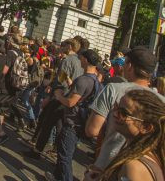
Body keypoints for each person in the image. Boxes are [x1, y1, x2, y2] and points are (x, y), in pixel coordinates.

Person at [84, 46, 165, 179]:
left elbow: (92, 130)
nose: (116, 115)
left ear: (129, 65)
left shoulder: (113, 89)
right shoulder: (161, 101)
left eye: (122, 113)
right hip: (147, 166)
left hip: (108, 164)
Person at [45, 49, 101, 181]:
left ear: (86, 60)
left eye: (81, 58)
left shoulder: (83, 80)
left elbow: (71, 102)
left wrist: (59, 96)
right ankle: (57, 176)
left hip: (72, 121)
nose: (79, 60)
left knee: (65, 156)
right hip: (81, 121)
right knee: (63, 152)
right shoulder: (95, 81)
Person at [100, 90, 165, 181]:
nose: (115, 114)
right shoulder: (148, 154)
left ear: (145, 127)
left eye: (123, 113)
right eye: (116, 107)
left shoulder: (134, 167)